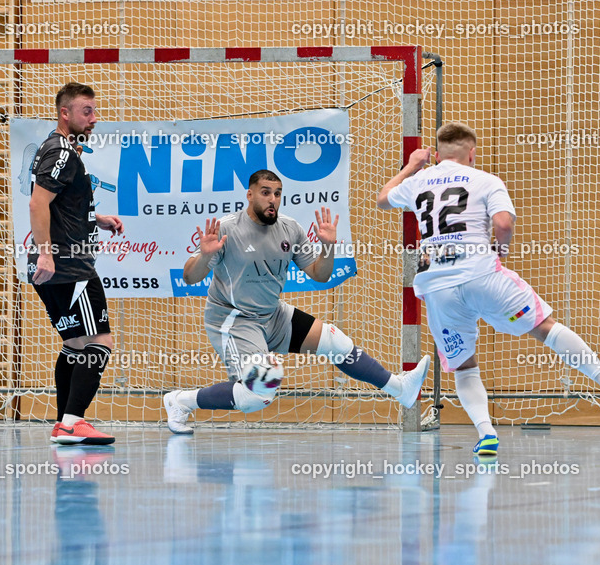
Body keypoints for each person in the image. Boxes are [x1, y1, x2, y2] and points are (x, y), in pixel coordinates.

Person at [377, 122, 600, 457]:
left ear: (437, 152)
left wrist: (411, 166)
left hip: (439, 286)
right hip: (482, 274)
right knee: (545, 328)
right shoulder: (486, 180)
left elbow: (382, 199)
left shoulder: (418, 181)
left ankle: (486, 433)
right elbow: (503, 223)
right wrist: (500, 252)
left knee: (464, 366)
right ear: (471, 153)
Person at [162, 169, 432, 433]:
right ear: (250, 194)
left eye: (278, 194)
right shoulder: (226, 229)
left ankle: (400, 388)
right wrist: (205, 255)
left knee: (335, 342)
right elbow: (189, 277)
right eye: (266, 193)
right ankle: (181, 401)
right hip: (234, 318)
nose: (273, 200)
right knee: (257, 395)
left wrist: (328, 247)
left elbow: (320, 274)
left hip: (272, 314)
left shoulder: (290, 229)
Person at [29, 82, 123, 446]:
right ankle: (73, 423)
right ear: (64, 113)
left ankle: (62, 423)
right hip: (69, 265)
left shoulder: (62, 149)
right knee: (100, 341)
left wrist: (95, 218)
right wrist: (47, 252)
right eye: (87, 111)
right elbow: (37, 205)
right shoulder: (62, 152)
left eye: (95, 111)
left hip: (62, 263)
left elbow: (58, 203)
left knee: (73, 343)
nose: (94, 118)